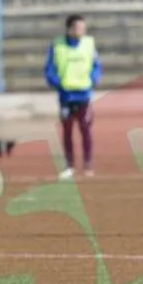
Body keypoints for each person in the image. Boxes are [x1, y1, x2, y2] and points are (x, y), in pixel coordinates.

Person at [45, 14, 101, 180]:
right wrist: (57, 82)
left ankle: (88, 164)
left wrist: (93, 79)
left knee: (85, 129)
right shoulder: (57, 45)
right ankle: (69, 165)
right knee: (67, 131)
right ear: (69, 29)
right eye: (78, 27)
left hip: (84, 94)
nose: (81, 31)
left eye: (83, 28)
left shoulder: (89, 43)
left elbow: (96, 65)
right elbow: (50, 68)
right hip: (66, 95)